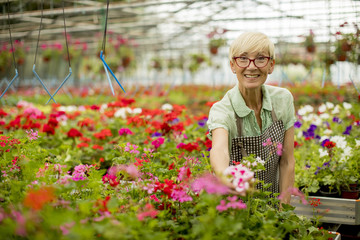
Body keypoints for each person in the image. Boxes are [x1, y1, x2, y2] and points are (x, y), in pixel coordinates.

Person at [207, 32, 296, 205]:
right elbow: (219, 150)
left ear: (271, 65)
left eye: (260, 59)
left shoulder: (283, 100)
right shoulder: (222, 109)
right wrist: (224, 175)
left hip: (272, 206)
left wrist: (283, 210)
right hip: (235, 207)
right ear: (233, 65)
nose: (252, 66)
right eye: (243, 59)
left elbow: (287, 161)